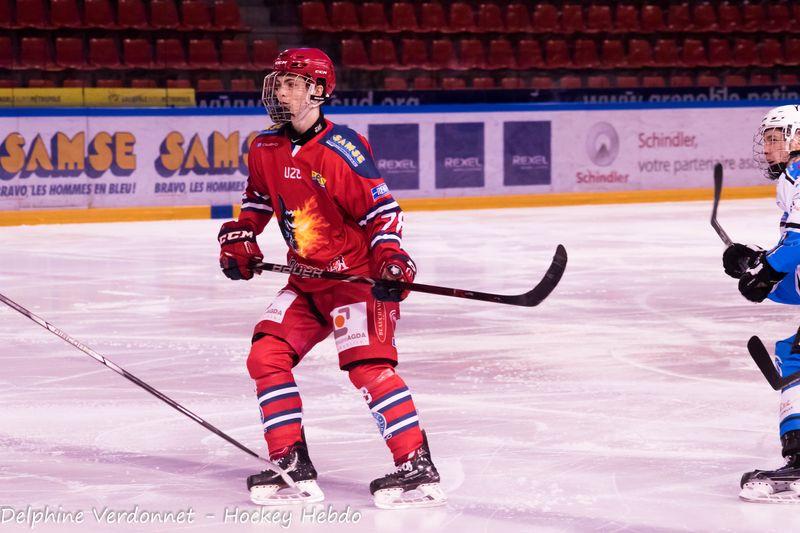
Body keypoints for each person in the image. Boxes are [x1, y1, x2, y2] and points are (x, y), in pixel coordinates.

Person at [217, 48, 446, 509]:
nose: (280, 90)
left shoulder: (343, 149)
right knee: (266, 355)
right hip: (306, 281)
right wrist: (241, 235)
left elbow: (382, 211)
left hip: (356, 282)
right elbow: (259, 199)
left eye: (291, 83)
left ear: (318, 90)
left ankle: (415, 462)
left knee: (368, 368)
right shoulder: (264, 146)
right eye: (277, 82)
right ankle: (290, 460)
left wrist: (391, 258)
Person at [724, 104, 800, 502]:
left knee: (798, 357)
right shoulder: (791, 177)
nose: (768, 147)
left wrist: (765, 273)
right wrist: (758, 267)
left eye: (776, 138)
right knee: (794, 353)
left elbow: (799, 245)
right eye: (766, 139)